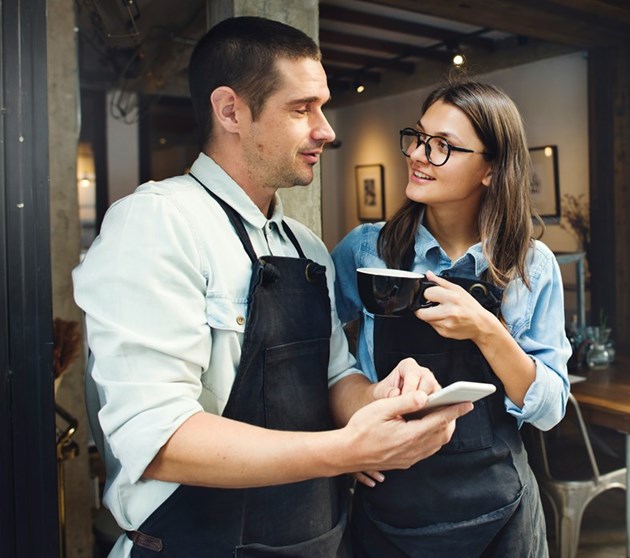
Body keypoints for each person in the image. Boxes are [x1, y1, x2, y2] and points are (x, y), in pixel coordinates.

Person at [73, 17, 472, 558]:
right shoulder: (156, 223)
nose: (326, 129)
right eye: (302, 108)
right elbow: (159, 440)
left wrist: (378, 400)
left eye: (323, 107)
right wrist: (346, 450)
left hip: (315, 540)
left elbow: (335, 376)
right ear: (231, 110)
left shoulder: (305, 246)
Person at [331, 79, 572, 557]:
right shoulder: (366, 248)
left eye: (443, 146)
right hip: (391, 507)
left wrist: (486, 329)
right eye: (419, 138)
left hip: (501, 514)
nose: (419, 154)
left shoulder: (532, 265)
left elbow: (549, 411)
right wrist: (343, 437)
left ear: (489, 169)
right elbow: (313, 352)